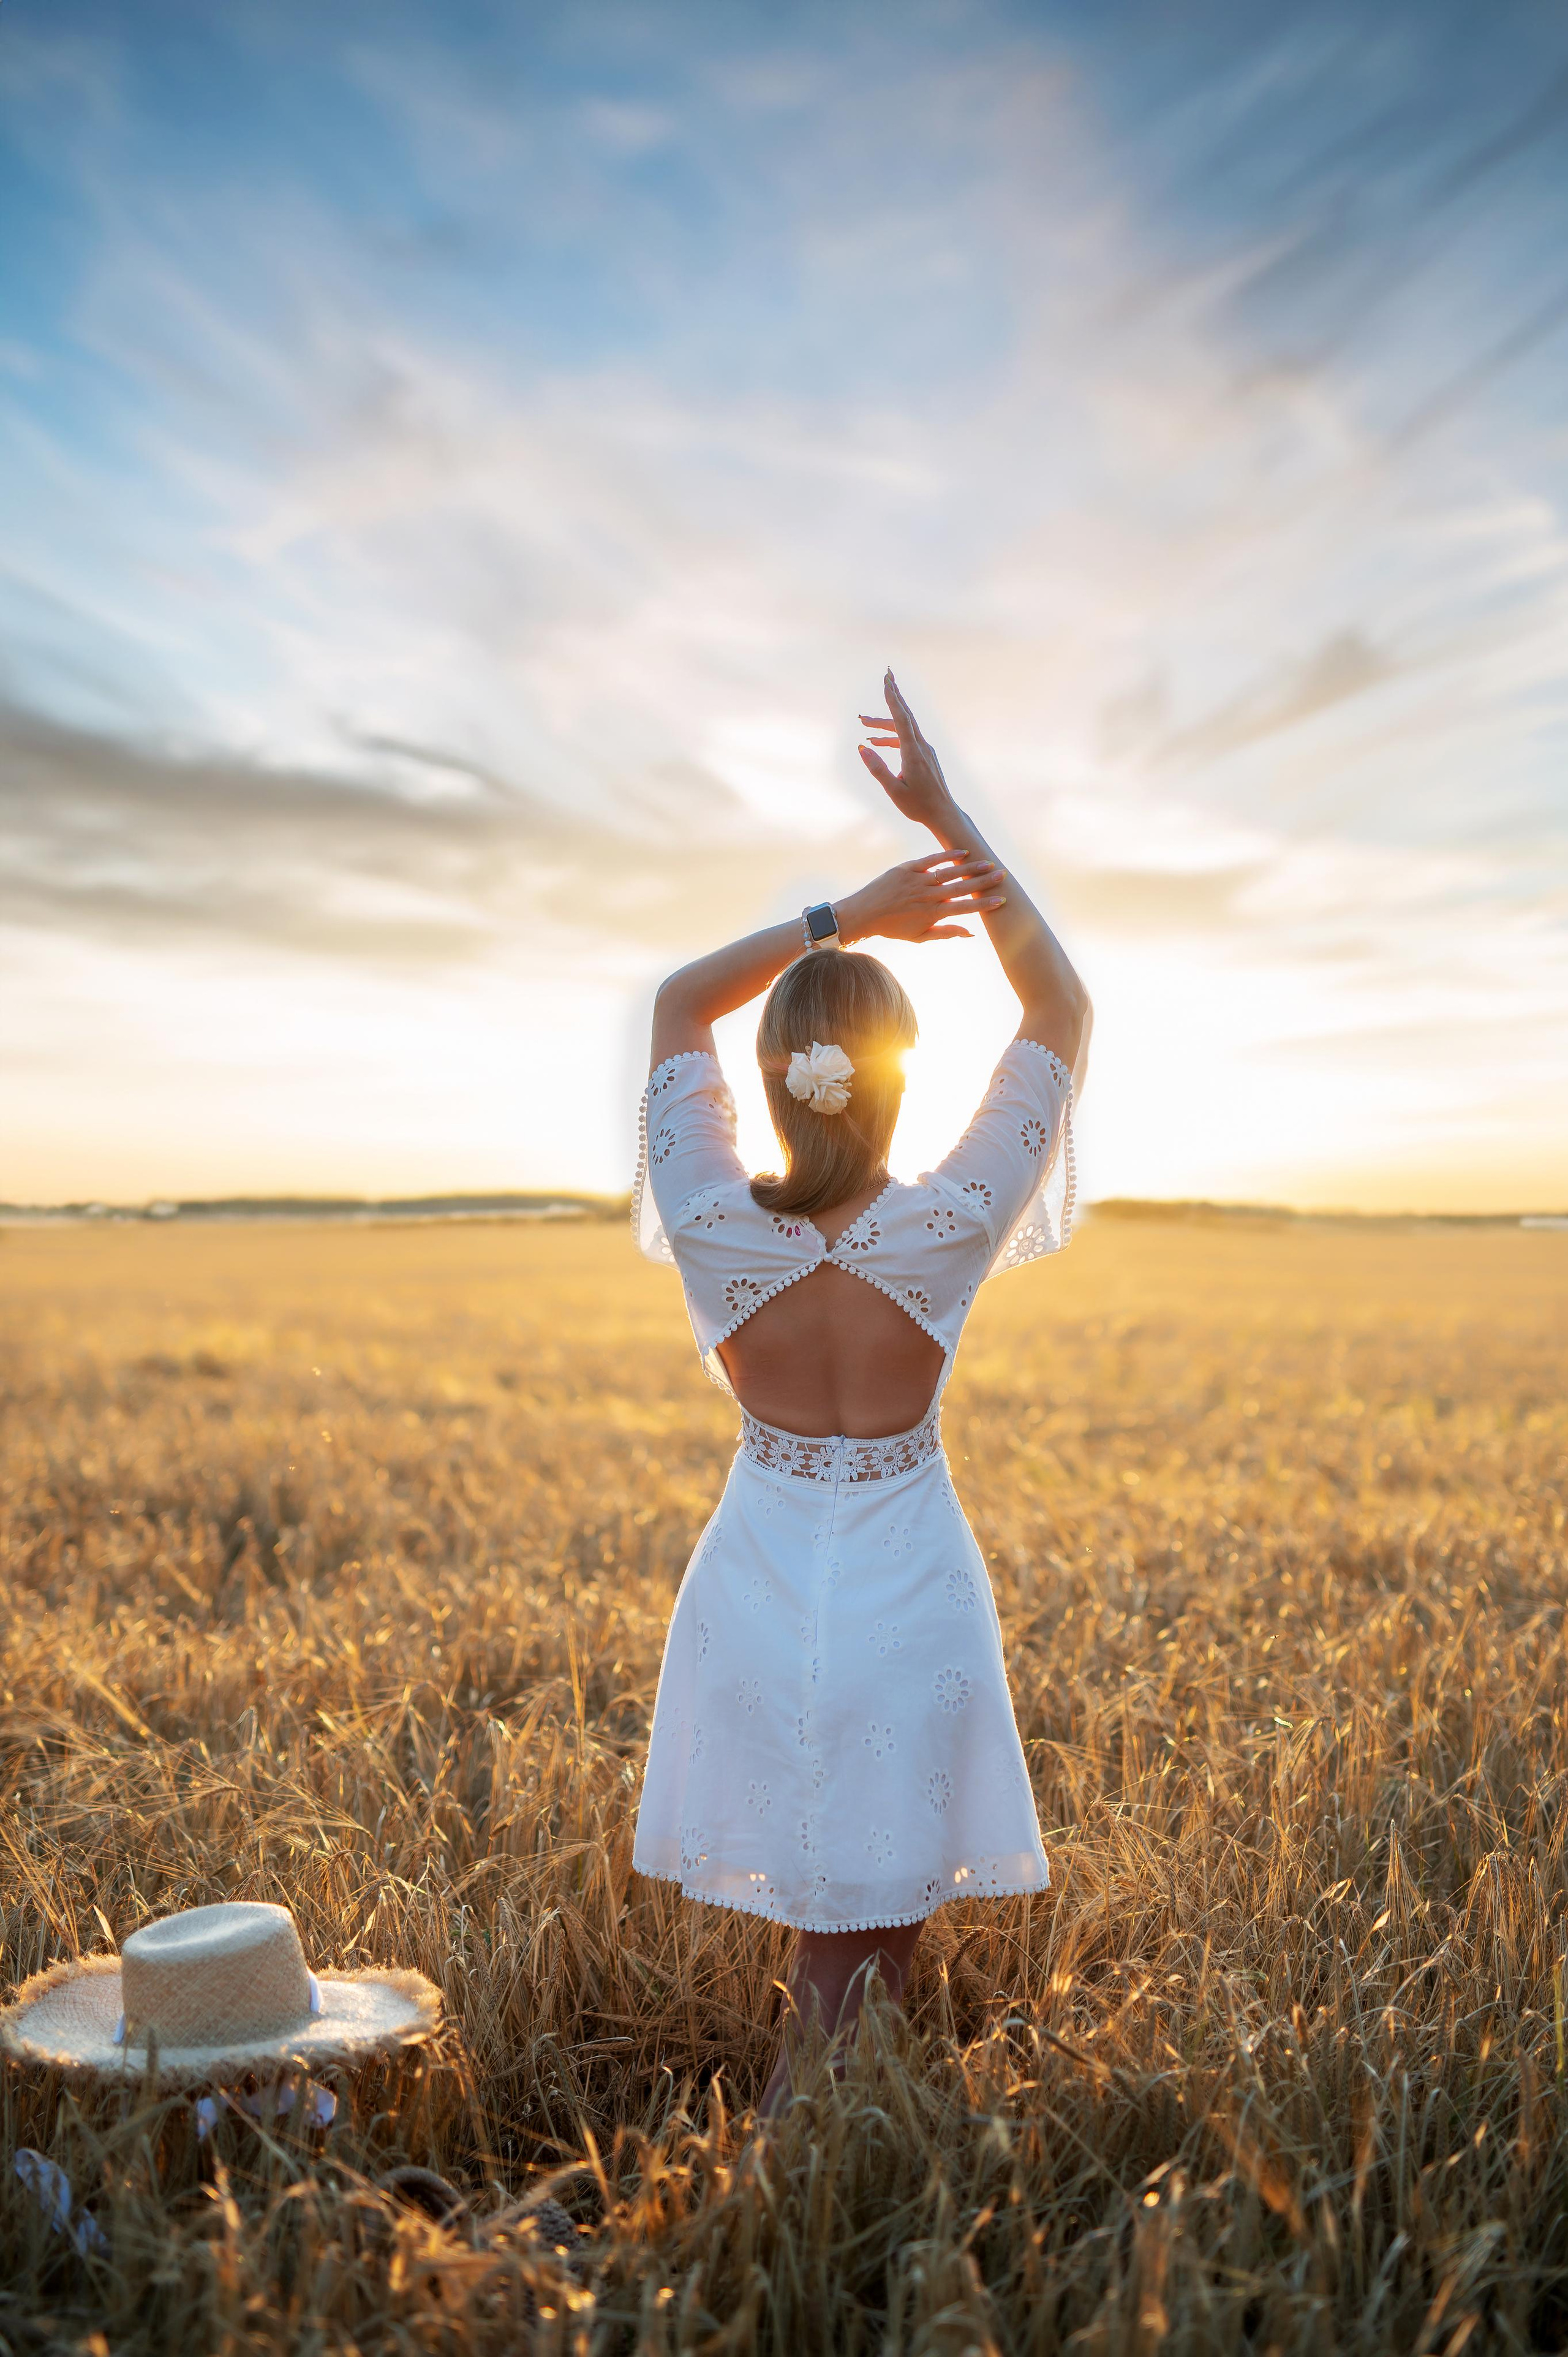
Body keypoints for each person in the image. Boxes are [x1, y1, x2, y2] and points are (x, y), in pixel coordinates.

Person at [631, 672, 1091, 2115]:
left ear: (777, 1079)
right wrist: (944, 820)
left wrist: (843, 916)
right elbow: (1059, 1003)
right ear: (892, 1080)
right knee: (861, 1949)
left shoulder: (714, 1220)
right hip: (909, 1591)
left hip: (755, 1585)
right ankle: (787, 2172)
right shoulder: (945, 1222)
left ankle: (820, 2162)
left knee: (853, 1952)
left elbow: (675, 1001)